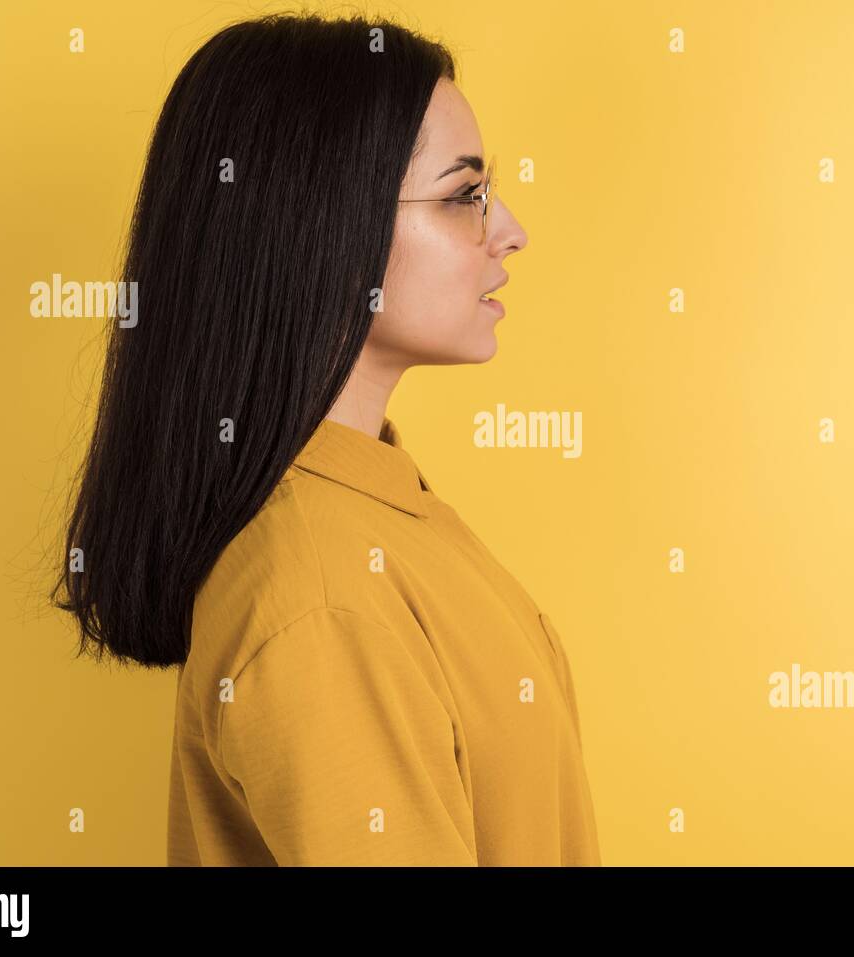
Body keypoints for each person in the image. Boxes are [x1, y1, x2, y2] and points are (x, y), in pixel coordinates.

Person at [51, 12, 601, 866]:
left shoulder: (376, 508)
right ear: (326, 227)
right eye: (464, 195)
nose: (510, 230)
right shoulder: (323, 594)